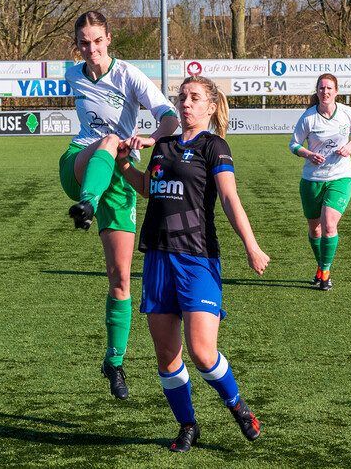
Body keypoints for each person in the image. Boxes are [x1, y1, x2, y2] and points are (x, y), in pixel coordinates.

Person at [115, 76, 270, 451]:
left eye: (194, 97)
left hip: (197, 258)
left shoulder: (214, 146)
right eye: (182, 96)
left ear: (210, 107)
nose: (185, 103)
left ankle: (236, 404)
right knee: (167, 357)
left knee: (202, 352)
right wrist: (122, 165)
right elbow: (150, 189)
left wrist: (251, 245)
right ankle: (187, 425)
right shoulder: (164, 146)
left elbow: (230, 198)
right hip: (157, 258)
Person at [60, 10, 179, 400]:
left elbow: (170, 117)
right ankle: (86, 204)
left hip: (118, 178)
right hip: (79, 163)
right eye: (83, 43)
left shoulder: (129, 75)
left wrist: (149, 139)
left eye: (97, 41)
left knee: (122, 280)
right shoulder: (72, 74)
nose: (91, 49)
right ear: (77, 45)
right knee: (109, 139)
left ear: (109, 39)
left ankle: (114, 361)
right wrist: (117, 141)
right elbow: (105, 134)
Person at [289, 73, 351, 291]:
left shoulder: (347, 113)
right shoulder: (308, 117)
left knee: (330, 225)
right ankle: (320, 266)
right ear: (317, 91)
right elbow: (293, 145)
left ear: (336, 91)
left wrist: (349, 147)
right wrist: (308, 154)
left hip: (341, 177)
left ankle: (325, 272)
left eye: (329, 88)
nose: (325, 92)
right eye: (322, 88)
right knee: (315, 230)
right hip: (312, 179)